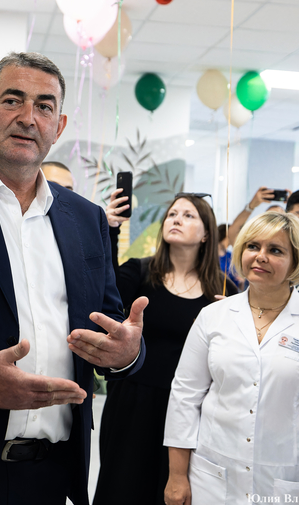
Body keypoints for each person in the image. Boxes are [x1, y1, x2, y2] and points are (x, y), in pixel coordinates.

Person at [0, 52, 146, 505]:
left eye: (44, 106)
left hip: (53, 476)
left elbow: (109, 327)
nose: (28, 117)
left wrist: (125, 355)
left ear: (58, 127)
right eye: (13, 100)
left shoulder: (86, 219)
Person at [163, 211, 299, 504]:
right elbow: (185, 395)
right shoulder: (213, 316)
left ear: (296, 261)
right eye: (252, 246)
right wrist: (177, 476)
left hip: (287, 477)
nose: (260, 256)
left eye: (275, 250)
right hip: (213, 474)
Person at [93, 192, 237, 505]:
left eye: (188, 215)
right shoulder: (139, 273)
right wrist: (110, 230)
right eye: (172, 214)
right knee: (121, 487)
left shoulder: (223, 290)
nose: (176, 219)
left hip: (189, 410)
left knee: (172, 492)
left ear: (206, 234)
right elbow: (102, 287)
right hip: (132, 401)